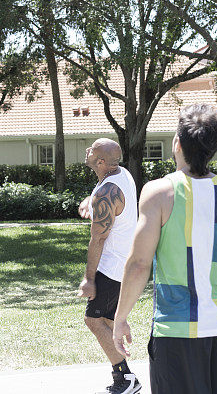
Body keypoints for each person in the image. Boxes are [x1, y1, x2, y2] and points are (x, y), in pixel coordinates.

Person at [112, 104, 217, 394]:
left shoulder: (159, 193)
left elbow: (138, 265)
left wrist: (120, 319)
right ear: (212, 149)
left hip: (174, 333)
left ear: (177, 143)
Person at [77, 138, 141, 394]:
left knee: (93, 321)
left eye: (91, 149)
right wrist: (89, 201)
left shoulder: (105, 193)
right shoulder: (120, 175)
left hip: (111, 268)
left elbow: (98, 238)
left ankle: (125, 379)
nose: (87, 151)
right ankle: (124, 377)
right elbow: (104, 195)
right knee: (106, 320)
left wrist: (89, 278)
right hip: (124, 264)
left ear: (101, 161)